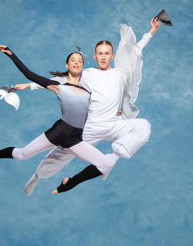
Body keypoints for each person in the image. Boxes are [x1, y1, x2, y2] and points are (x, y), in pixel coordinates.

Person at [15, 17, 160, 195]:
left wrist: (151, 31)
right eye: (100, 53)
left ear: (113, 56)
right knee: (59, 156)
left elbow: (136, 50)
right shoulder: (87, 75)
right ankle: (37, 176)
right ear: (95, 56)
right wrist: (29, 85)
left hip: (114, 124)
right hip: (90, 128)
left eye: (107, 53)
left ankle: (112, 159)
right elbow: (59, 82)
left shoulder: (119, 73)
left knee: (143, 126)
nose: (104, 57)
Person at [0, 47, 115, 193]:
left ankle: (67, 183)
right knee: (21, 154)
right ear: (67, 66)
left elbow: (103, 107)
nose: (76, 62)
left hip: (75, 139)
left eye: (79, 61)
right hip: (58, 131)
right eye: (72, 60)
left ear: (82, 67)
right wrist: (11, 54)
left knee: (106, 165)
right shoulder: (59, 86)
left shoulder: (89, 92)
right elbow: (29, 74)